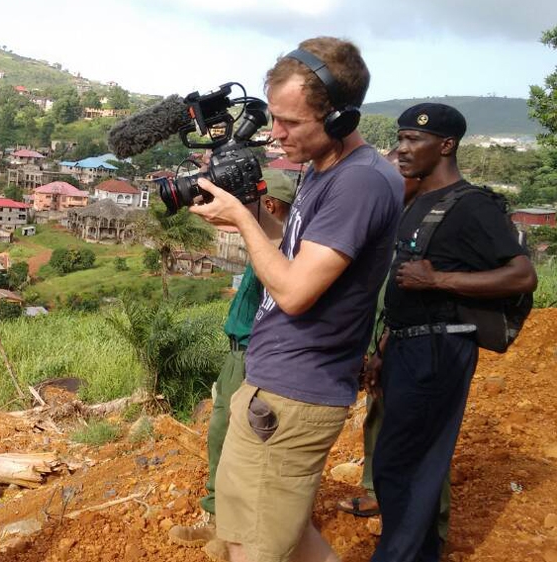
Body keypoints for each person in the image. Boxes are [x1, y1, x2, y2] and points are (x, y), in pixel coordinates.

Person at [189, 36, 403, 562]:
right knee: (276, 536)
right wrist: (246, 208)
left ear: (339, 119)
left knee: (256, 550)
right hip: (273, 383)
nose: (275, 134)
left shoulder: (360, 184)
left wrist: (239, 220)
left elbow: (294, 291)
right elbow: (287, 253)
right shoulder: (322, 168)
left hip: (295, 394)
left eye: (290, 122)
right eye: (273, 118)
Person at [370, 103, 536, 562]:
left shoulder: (472, 206)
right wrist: (387, 343)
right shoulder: (419, 201)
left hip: (439, 349)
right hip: (409, 345)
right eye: (400, 138)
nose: (402, 149)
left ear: (446, 145)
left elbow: (522, 276)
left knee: (406, 467)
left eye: (413, 140)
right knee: (394, 464)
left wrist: (439, 279)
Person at [168, 169, 295, 556]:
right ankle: (218, 520)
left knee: (236, 441)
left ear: (267, 205)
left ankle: (235, 531)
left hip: (254, 356)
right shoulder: (271, 245)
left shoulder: (281, 250)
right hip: (239, 352)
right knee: (221, 435)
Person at [337, 148, 453, 545]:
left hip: (422, 347)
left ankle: (427, 530)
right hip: (387, 340)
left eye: (394, 176)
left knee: (420, 438)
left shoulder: (433, 220)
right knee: (380, 422)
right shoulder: (391, 219)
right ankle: (381, 497)